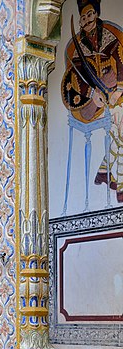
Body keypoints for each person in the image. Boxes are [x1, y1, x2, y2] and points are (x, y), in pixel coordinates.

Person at [61, 0, 123, 202]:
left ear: (96, 14)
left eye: (89, 15)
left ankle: (109, 173)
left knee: (119, 122)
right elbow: (75, 76)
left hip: (114, 93)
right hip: (91, 100)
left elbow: (120, 64)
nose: (86, 19)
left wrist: (118, 89)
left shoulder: (109, 37)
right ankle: (112, 177)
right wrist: (92, 95)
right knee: (119, 120)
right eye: (83, 17)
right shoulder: (77, 45)